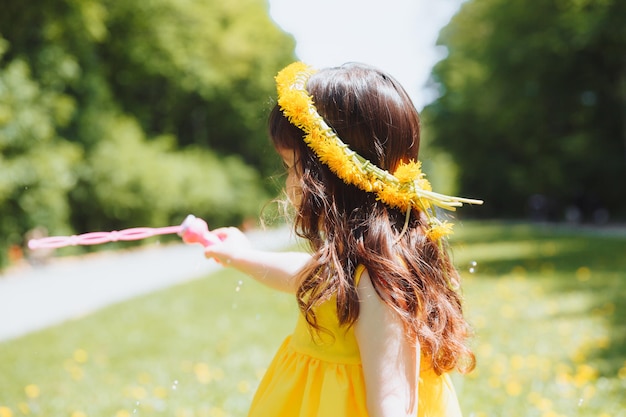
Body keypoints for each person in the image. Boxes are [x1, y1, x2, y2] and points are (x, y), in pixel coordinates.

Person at [204, 62, 482, 417]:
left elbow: (394, 404)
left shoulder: (381, 281)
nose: (288, 182)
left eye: (293, 166)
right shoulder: (350, 266)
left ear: (331, 175)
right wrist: (239, 255)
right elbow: (299, 272)